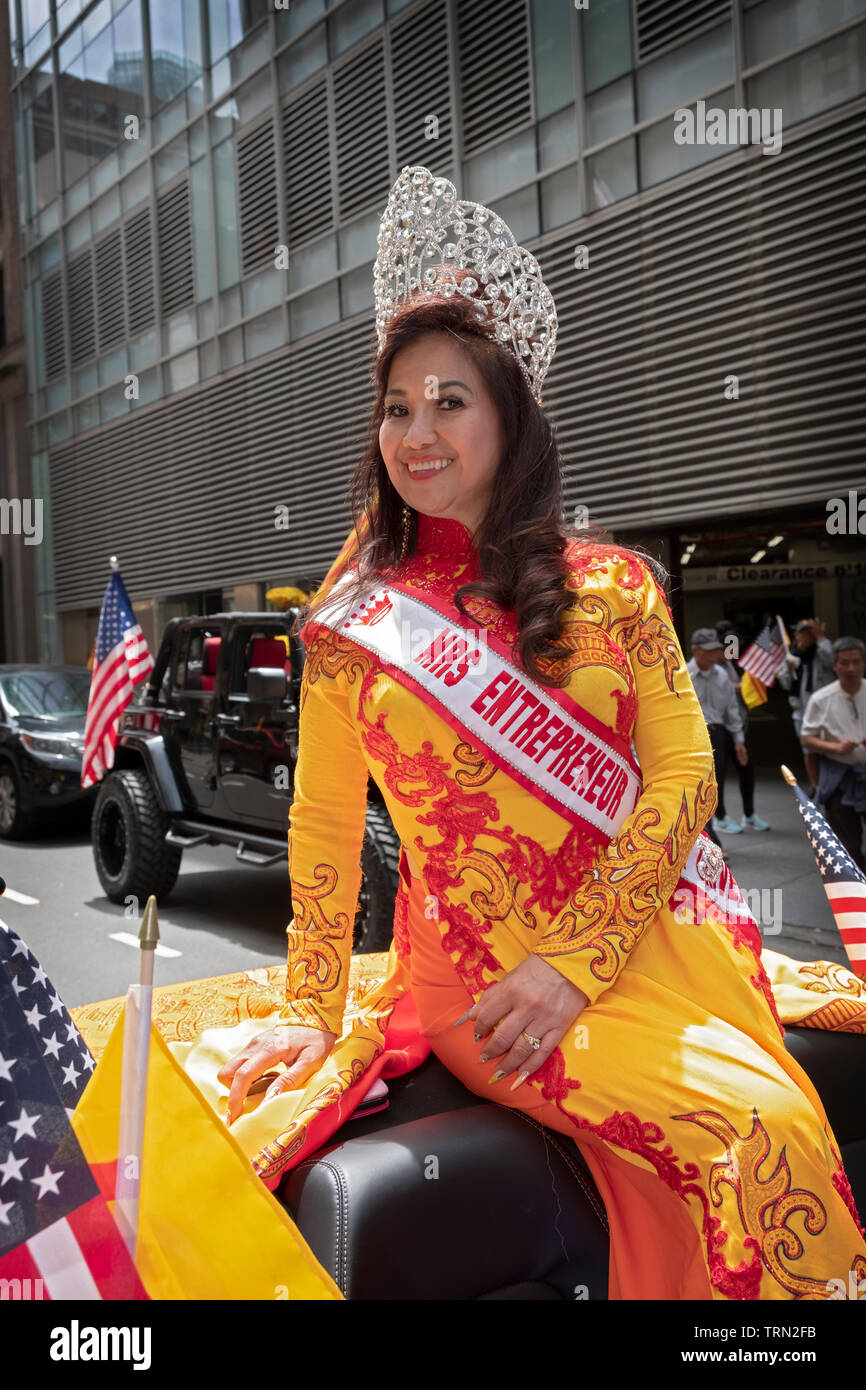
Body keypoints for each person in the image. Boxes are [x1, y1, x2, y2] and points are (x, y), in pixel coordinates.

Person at [189, 167, 864, 1300]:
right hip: (483, 988)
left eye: (450, 399)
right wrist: (308, 1009)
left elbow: (683, 776)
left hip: (638, 952)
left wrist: (578, 960)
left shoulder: (613, 589)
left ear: (511, 412)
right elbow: (319, 822)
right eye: (396, 406)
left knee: (781, 1109)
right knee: (747, 1129)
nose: (417, 430)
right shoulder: (355, 621)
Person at [801, 637, 866, 870]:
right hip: (838, 776)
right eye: (845, 663)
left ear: (863, 664)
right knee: (846, 843)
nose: (851, 668)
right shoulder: (821, 698)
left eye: (856, 662)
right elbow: (807, 738)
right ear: (835, 665)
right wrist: (835, 748)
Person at [685, 630, 749, 837]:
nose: (714, 655)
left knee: (716, 783)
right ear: (695, 650)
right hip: (693, 737)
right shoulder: (683, 674)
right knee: (697, 786)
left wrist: (739, 740)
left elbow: (732, 710)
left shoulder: (722, 675)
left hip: (718, 734)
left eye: (716, 650)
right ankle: (708, 834)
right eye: (709, 651)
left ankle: (713, 828)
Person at [714, 620, 770, 831]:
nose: (733, 650)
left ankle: (749, 815)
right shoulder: (712, 666)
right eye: (730, 646)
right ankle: (720, 818)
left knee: (746, 770)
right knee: (718, 775)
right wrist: (740, 687)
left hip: (738, 725)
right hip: (718, 727)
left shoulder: (730, 664)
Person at [778, 618, 835, 792]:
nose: (805, 636)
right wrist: (788, 668)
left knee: (826, 748)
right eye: (802, 633)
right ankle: (815, 785)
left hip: (824, 710)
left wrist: (820, 639)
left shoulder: (822, 650)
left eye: (809, 632)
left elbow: (831, 661)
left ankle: (829, 784)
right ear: (796, 635)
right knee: (808, 749)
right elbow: (786, 683)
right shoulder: (793, 653)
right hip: (801, 710)